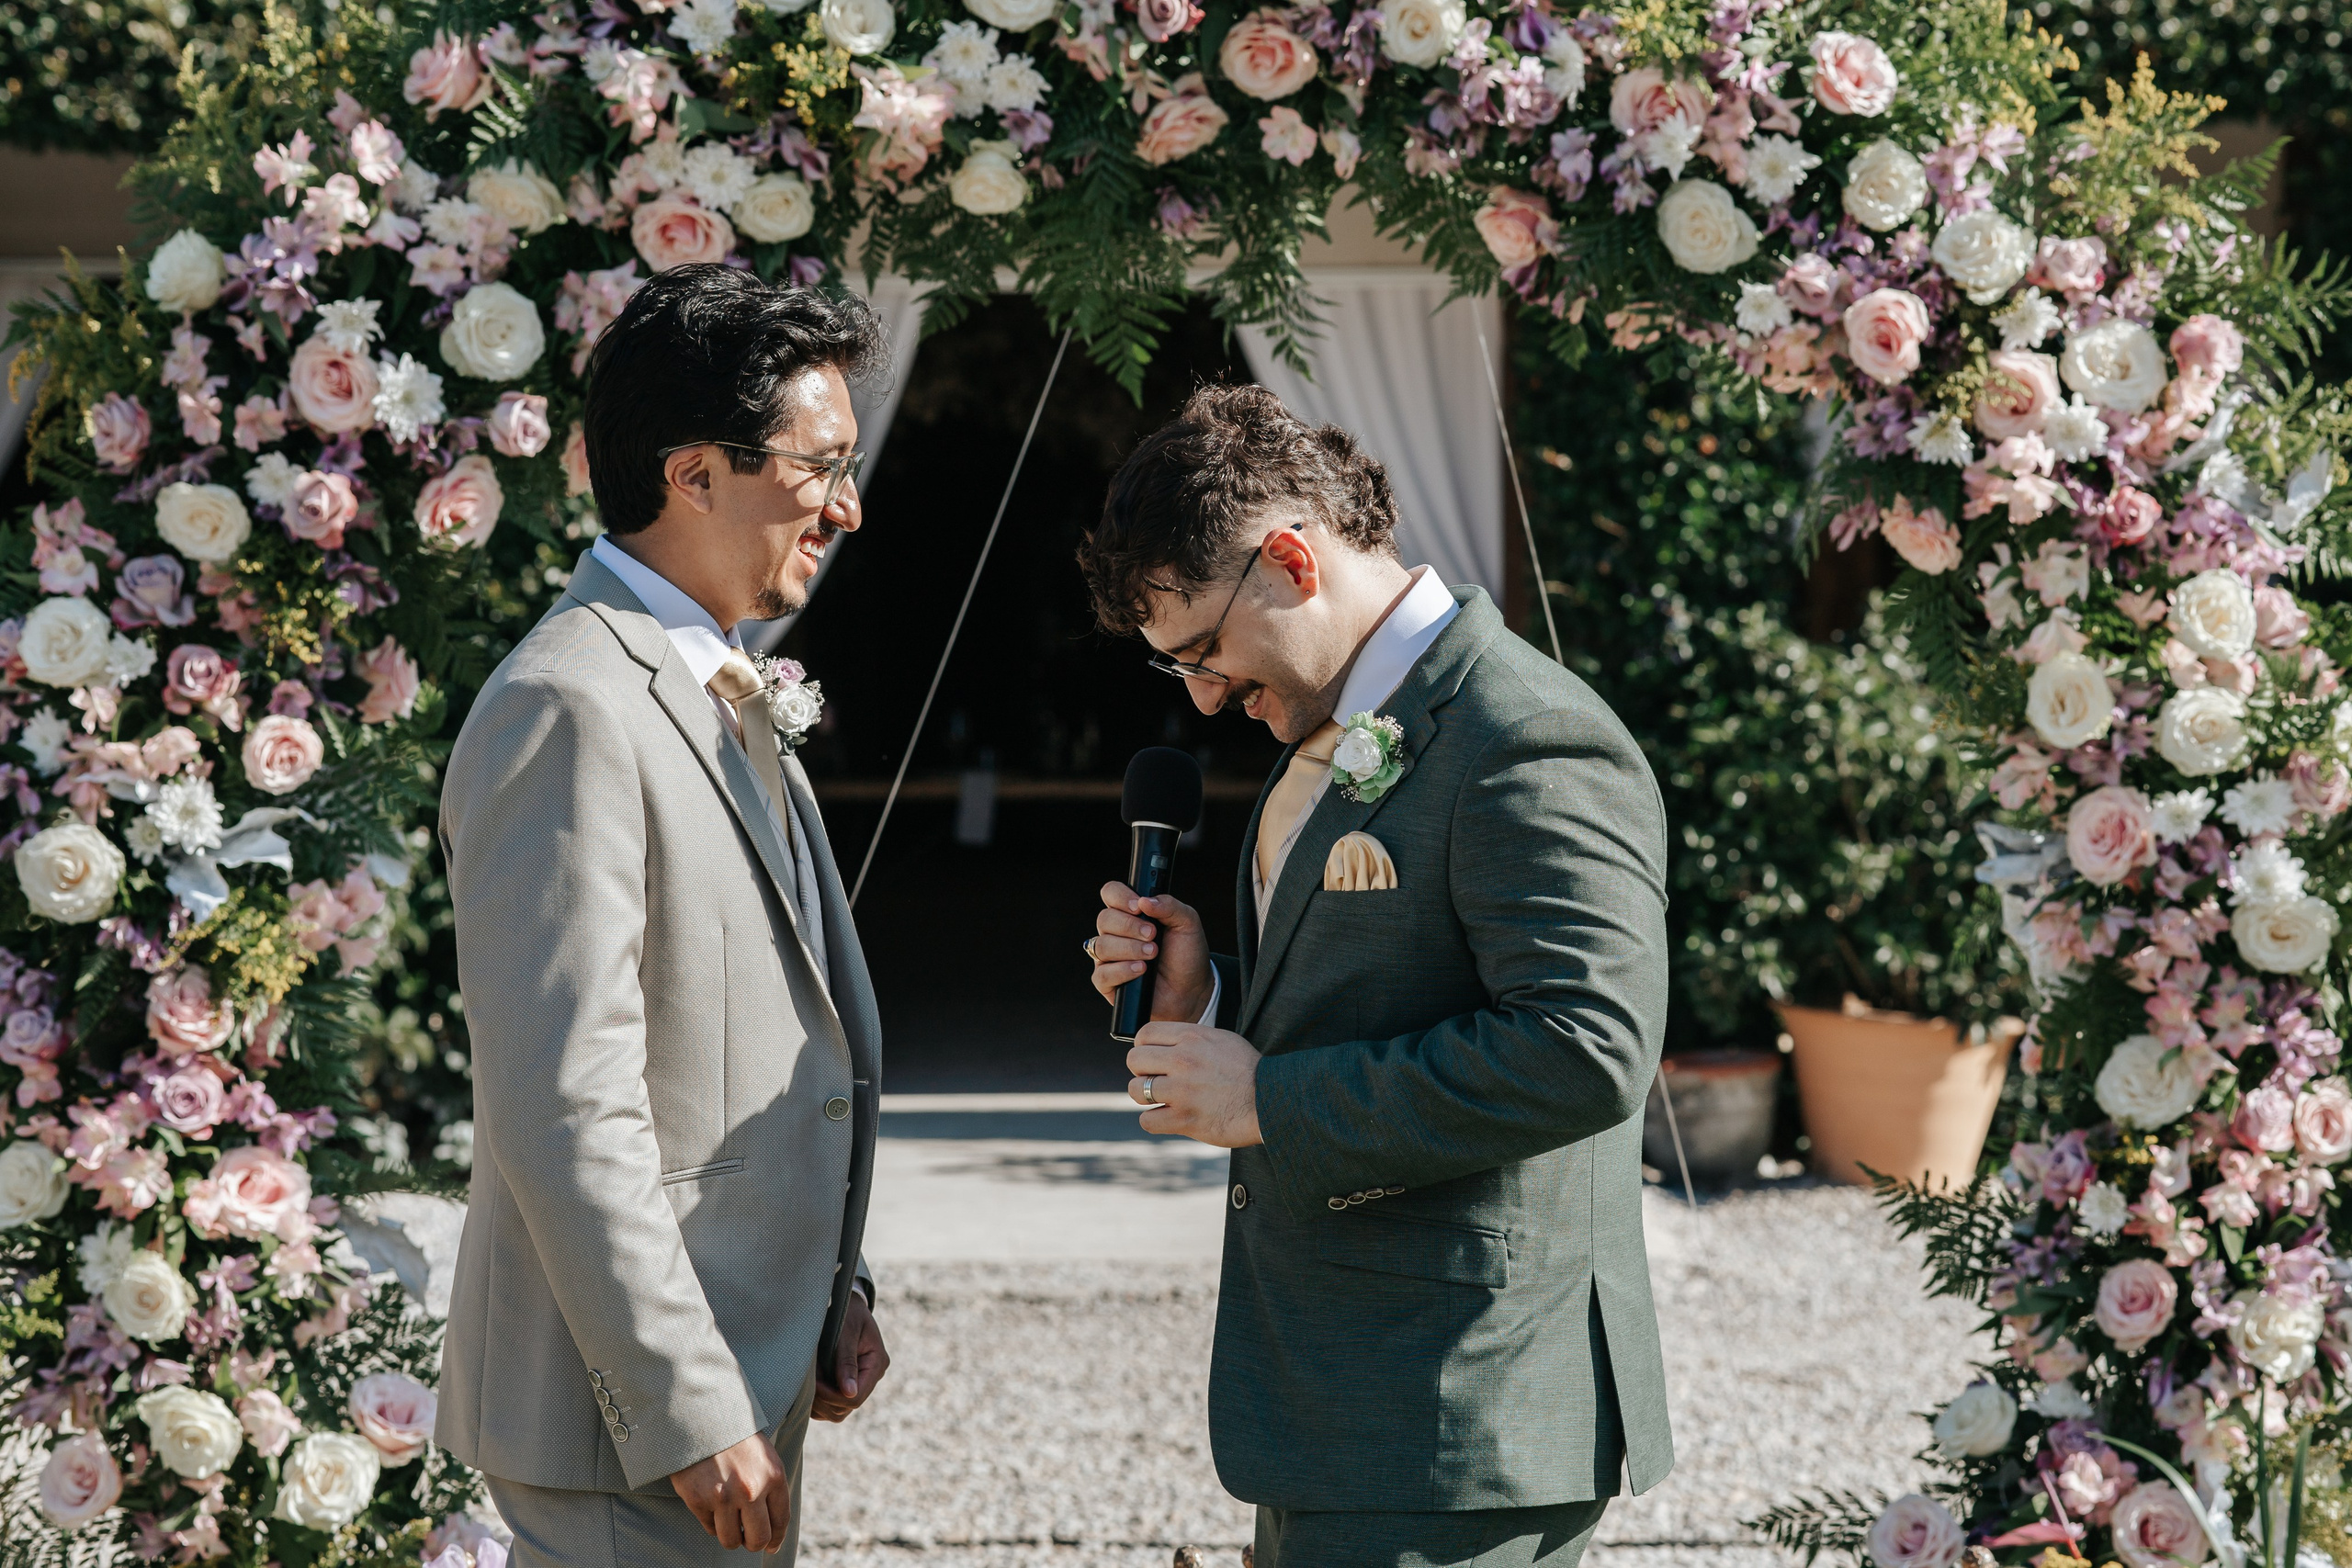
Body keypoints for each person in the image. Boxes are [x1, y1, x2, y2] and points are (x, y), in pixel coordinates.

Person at [1078, 384, 1674, 1568]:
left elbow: (1589, 1047)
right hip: (1346, 1396)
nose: (1199, 695)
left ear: (1291, 560)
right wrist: (1217, 994)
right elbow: (1385, 986)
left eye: (1201, 650)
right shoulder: (1337, 719)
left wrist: (1268, 1103)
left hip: (1457, 1406)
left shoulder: (1527, 734)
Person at [436, 264, 891, 1565]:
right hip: (631, 1422)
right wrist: (684, 1402)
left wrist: (831, 1290)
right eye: (820, 467)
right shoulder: (568, 706)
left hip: (750, 1365)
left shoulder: (715, 684)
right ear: (694, 475)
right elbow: (563, 1099)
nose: (849, 508)